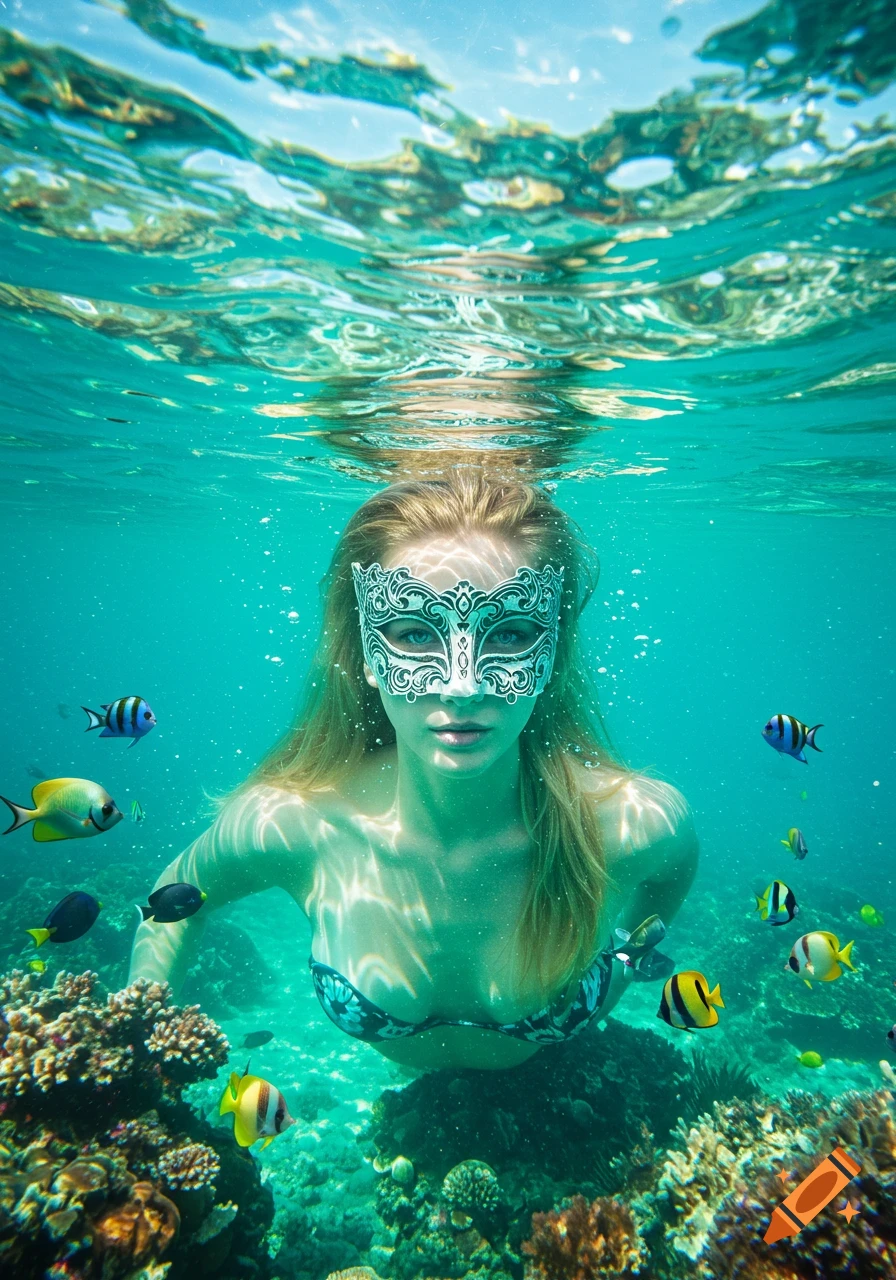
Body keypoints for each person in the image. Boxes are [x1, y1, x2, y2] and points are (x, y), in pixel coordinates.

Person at [130, 471, 697, 1070]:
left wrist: (629, 957)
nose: (463, 683)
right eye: (413, 633)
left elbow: (673, 871)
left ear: (553, 650)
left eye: (509, 632)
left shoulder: (630, 825)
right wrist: (137, 1032)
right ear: (367, 654)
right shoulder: (295, 825)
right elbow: (170, 902)